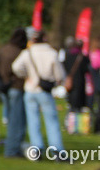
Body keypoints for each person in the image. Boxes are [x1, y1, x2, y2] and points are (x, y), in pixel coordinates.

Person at [12, 28, 65, 157]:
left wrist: (27, 76)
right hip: (45, 91)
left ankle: (37, 147)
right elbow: (60, 74)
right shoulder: (51, 53)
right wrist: (55, 81)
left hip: (30, 89)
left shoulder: (27, 52)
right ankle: (56, 148)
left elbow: (16, 67)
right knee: (51, 120)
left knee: (33, 120)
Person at [0, 28, 28, 157]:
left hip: (4, 87)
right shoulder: (19, 52)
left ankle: (13, 148)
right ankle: (12, 150)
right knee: (17, 121)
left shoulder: (3, 50)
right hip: (17, 87)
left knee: (12, 119)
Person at [62, 37, 89, 135]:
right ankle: (76, 126)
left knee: (71, 105)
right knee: (78, 107)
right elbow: (87, 69)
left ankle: (68, 124)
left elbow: (63, 66)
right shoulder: (82, 57)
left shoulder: (68, 55)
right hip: (79, 83)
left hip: (70, 82)